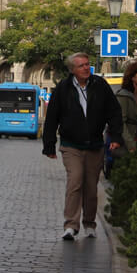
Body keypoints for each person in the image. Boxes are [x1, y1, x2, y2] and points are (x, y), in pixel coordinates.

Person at [42, 52, 124, 241]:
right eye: (81, 66)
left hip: (94, 144)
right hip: (71, 145)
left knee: (90, 187)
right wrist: (49, 145)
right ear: (73, 70)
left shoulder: (100, 86)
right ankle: (71, 225)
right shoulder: (63, 89)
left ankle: (89, 223)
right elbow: (52, 117)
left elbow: (114, 112)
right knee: (75, 181)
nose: (86, 68)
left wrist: (116, 136)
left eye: (87, 65)